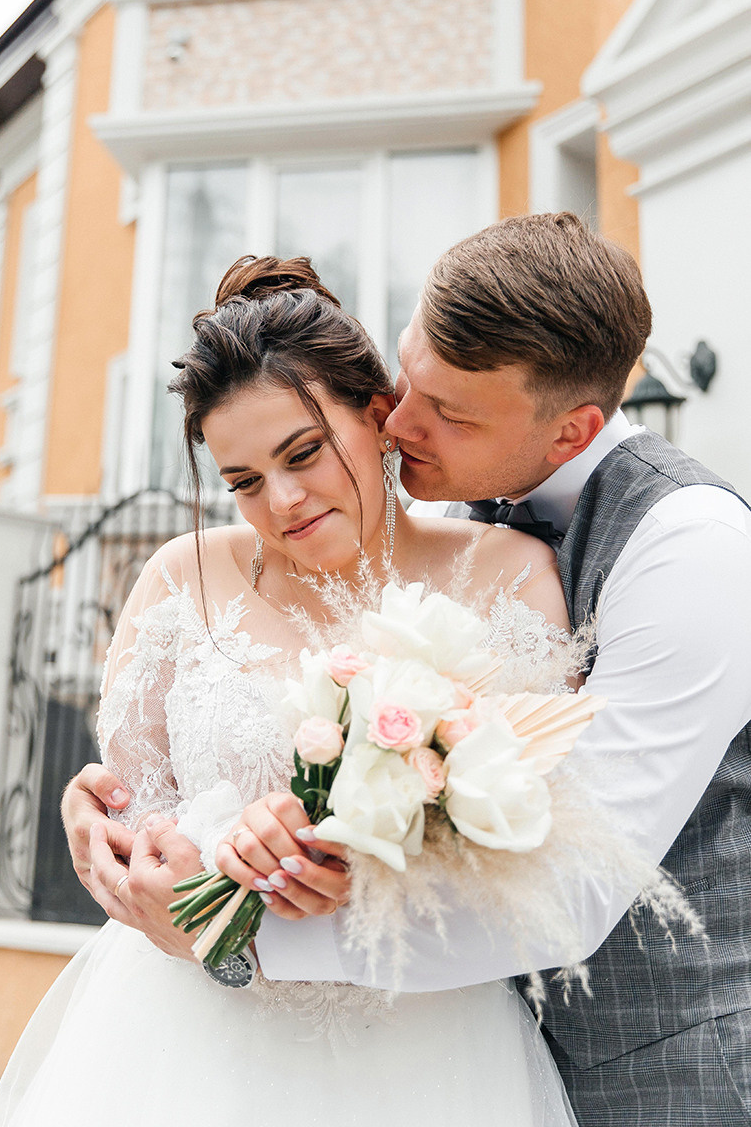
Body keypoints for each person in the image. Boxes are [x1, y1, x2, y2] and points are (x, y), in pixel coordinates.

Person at [66, 215, 751, 1126]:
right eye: (405, 378)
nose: (398, 422)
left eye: (450, 413)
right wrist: (119, 821)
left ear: (568, 431)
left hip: (668, 1063)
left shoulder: (690, 549)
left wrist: (236, 935)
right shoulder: (469, 497)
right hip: (214, 1046)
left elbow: (567, 888)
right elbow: (145, 797)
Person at [0, 254, 581, 1126]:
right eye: (243, 482)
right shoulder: (180, 579)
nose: (285, 500)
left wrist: (367, 858)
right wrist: (119, 838)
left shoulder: (507, 576)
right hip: (183, 1040)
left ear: (380, 415)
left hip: (424, 1051)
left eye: (303, 452)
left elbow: (542, 843)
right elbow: (139, 819)